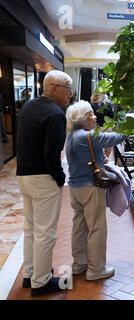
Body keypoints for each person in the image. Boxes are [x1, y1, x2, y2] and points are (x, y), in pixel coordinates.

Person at [16, 70, 72, 297]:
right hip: (43, 178)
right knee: (45, 233)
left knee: (30, 229)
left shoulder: (28, 107)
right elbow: (52, 154)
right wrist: (60, 178)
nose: (70, 93)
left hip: (24, 176)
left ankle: (30, 275)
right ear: (53, 88)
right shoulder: (56, 114)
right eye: (67, 88)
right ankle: (41, 281)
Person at [65, 100, 126, 281]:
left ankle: (80, 264)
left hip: (75, 188)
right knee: (97, 228)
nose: (95, 118)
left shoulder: (71, 136)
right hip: (90, 188)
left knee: (79, 226)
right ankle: (96, 269)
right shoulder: (88, 136)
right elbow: (116, 137)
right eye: (91, 114)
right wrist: (131, 125)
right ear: (82, 119)